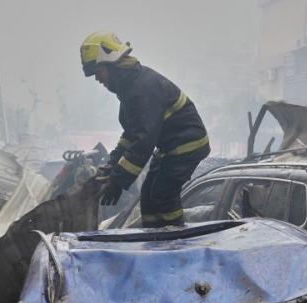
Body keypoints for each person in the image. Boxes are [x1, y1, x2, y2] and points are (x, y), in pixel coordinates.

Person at [80, 32, 210, 227]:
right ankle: (154, 237)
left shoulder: (143, 88)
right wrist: (113, 163)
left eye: (98, 71)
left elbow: (143, 142)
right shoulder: (129, 88)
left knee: (162, 196)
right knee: (148, 198)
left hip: (187, 146)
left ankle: (173, 239)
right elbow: (132, 134)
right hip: (170, 148)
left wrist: (118, 181)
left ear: (112, 64)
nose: (97, 78)